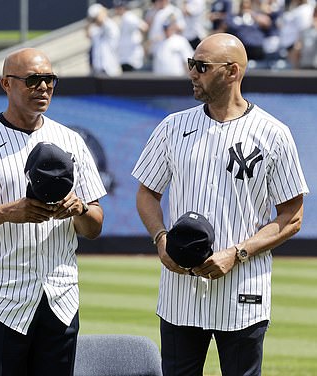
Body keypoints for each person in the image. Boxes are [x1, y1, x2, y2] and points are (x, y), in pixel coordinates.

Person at [132, 33, 308, 376]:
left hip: (243, 291)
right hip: (180, 292)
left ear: (231, 72)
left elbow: (292, 216)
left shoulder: (273, 133)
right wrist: (160, 239)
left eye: (201, 66)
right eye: (191, 64)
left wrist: (237, 252)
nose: (192, 73)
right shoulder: (173, 127)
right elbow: (146, 193)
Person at [0, 48, 107, 376]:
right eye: (32, 80)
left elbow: (95, 225)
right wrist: (5, 212)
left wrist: (80, 208)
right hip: (0, 294)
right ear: (6, 83)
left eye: (49, 79)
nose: (43, 87)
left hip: (60, 295)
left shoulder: (70, 139)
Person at [86, 3, 122, 77]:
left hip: (110, 68)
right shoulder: (96, 29)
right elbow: (88, 34)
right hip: (98, 68)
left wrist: (102, 13)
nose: (95, 20)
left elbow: (103, 21)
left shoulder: (110, 26)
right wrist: (90, 21)